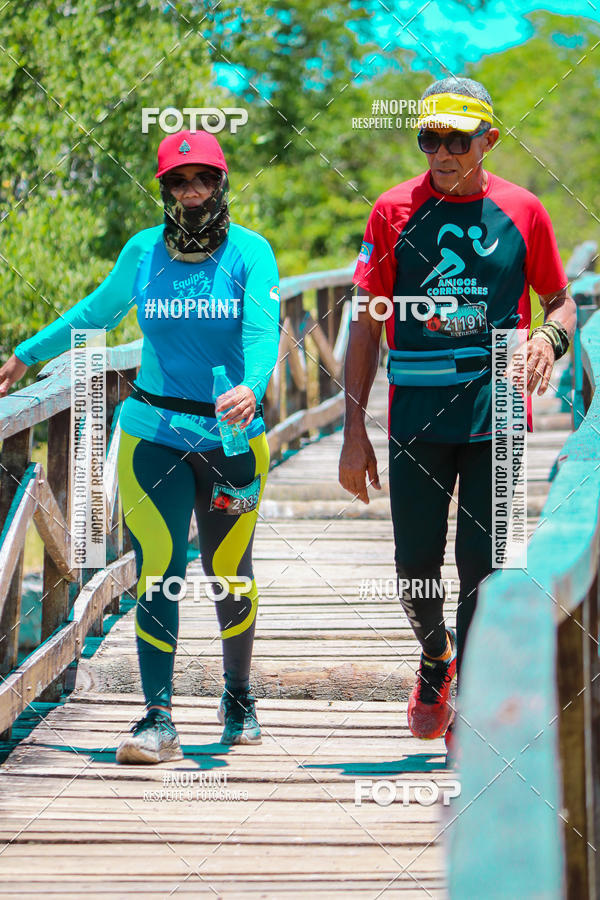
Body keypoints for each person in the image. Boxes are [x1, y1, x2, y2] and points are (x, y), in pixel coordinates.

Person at [0, 129, 280, 763]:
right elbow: (94, 314)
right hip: (152, 435)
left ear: (222, 183)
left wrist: (251, 385)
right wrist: (26, 353)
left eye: (203, 179)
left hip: (233, 440)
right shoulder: (143, 252)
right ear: (165, 190)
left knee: (228, 572)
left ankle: (238, 697)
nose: (191, 193)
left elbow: (265, 333)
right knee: (159, 570)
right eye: (179, 183)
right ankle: (157, 720)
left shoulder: (250, 253)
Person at [339, 77, 576, 762]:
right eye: (430, 138)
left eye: (457, 140)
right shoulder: (392, 212)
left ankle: (468, 706)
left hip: (498, 409)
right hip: (415, 407)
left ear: (488, 140)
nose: (442, 152)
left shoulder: (523, 210)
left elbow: (559, 301)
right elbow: (365, 320)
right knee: (415, 568)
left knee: (486, 567)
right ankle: (436, 655)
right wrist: (353, 434)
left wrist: (548, 340)